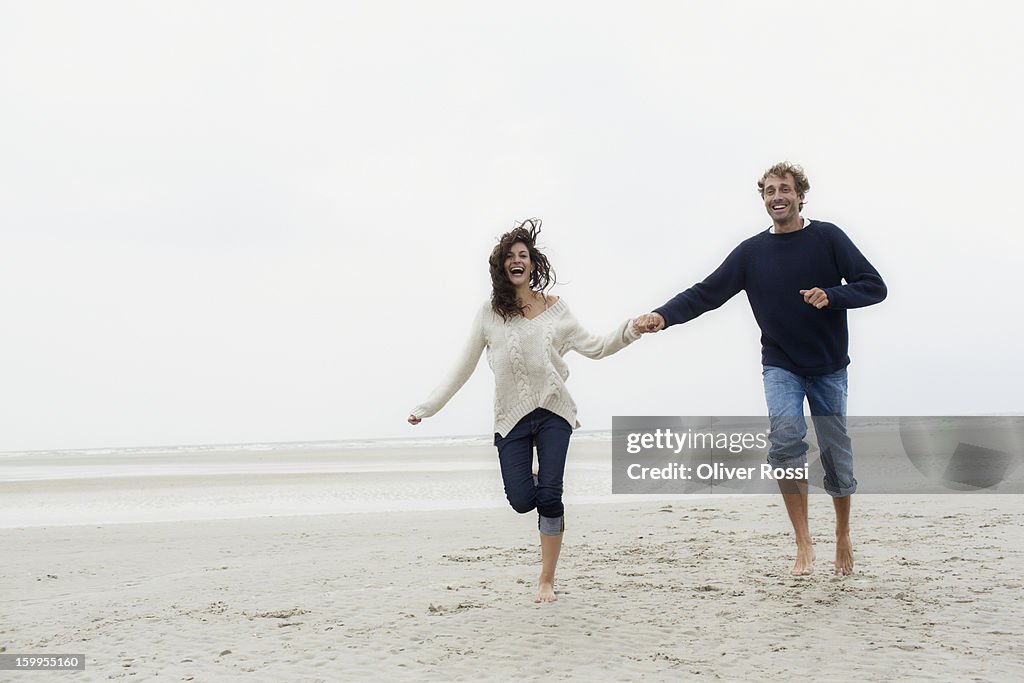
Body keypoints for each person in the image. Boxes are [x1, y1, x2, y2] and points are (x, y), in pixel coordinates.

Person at [635, 162, 886, 576]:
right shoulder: (752, 253)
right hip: (781, 364)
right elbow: (706, 292)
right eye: (769, 191)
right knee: (786, 441)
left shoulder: (828, 237)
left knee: (836, 455)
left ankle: (842, 534)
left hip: (827, 367)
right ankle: (803, 542)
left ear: (800, 195)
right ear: (763, 199)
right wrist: (663, 316)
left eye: (784, 189)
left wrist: (833, 295)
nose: (777, 197)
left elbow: (874, 286)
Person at [408, 219, 643, 602]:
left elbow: (597, 347)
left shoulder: (556, 310)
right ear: (501, 267)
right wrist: (428, 407)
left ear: (533, 264)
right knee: (521, 501)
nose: (517, 261)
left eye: (524, 255)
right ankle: (536, 472)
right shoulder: (489, 314)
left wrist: (631, 328)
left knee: (550, 495)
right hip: (511, 416)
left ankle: (546, 579)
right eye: (510, 257)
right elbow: (463, 367)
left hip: (554, 410)